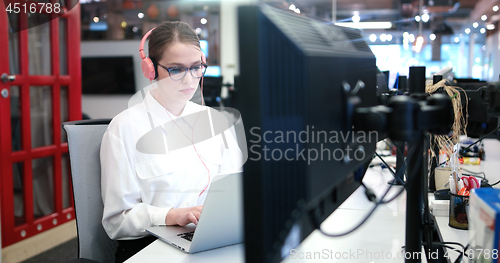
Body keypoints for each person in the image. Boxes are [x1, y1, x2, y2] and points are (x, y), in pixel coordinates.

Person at [100, 21, 243, 262]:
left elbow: (239, 189)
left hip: (213, 238)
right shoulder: (124, 128)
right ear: (151, 69)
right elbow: (117, 221)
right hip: (151, 244)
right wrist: (171, 215)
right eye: (176, 70)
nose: (190, 80)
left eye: (197, 67)